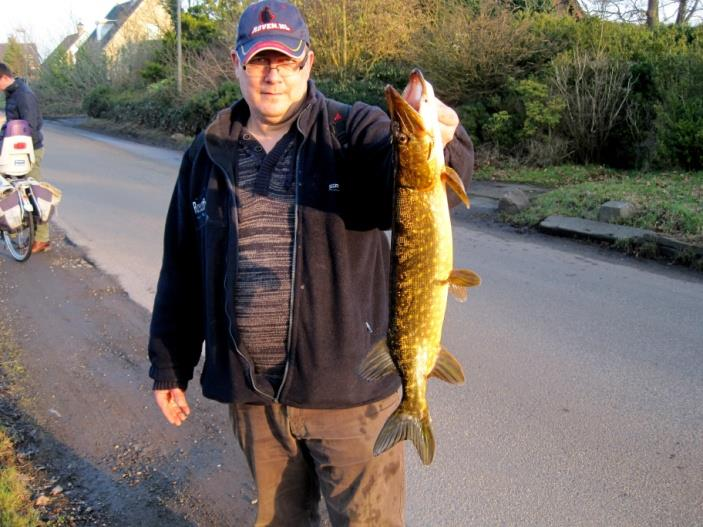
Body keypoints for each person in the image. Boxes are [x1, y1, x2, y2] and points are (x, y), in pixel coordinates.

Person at [148, 1, 474, 525]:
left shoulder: (354, 130)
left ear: (308, 62)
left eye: (285, 60)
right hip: (255, 401)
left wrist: (445, 136)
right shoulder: (207, 152)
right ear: (237, 64)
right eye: (258, 61)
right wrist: (169, 363)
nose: (272, 74)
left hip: (352, 402)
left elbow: (416, 183)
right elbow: (181, 265)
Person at [0, 62, 49, 253]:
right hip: (16, 149)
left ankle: (42, 238)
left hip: (29, 151)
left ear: (4, 78)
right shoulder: (12, 94)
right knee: (13, 187)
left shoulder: (23, 95)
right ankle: (12, 226)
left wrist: (19, 149)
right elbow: (13, 124)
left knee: (35, 193)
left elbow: (30, 126)